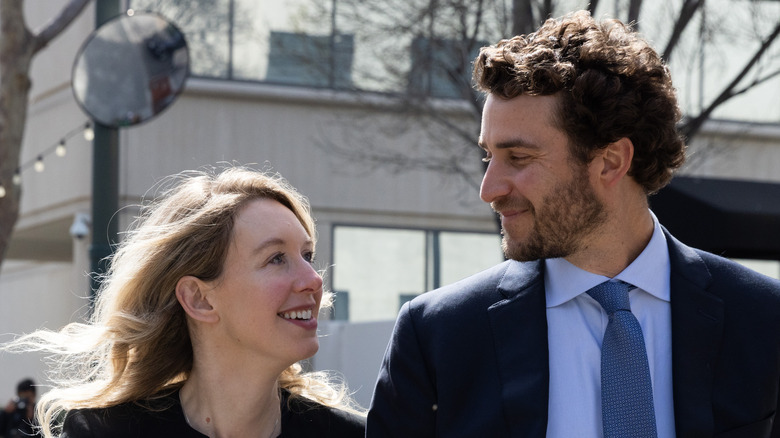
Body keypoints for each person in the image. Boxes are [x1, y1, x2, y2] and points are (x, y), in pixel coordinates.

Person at [367, 10, 780, 438]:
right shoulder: (438, 335)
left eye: (519, 158)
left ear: (611, 161)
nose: (488, 189)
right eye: (489, 156)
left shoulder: (764, 320)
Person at [4, 167, 365, 438]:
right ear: (199, 299)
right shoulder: (104, 432)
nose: (314, 280)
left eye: (307, 256)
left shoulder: (353, 435)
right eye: (276, 258)